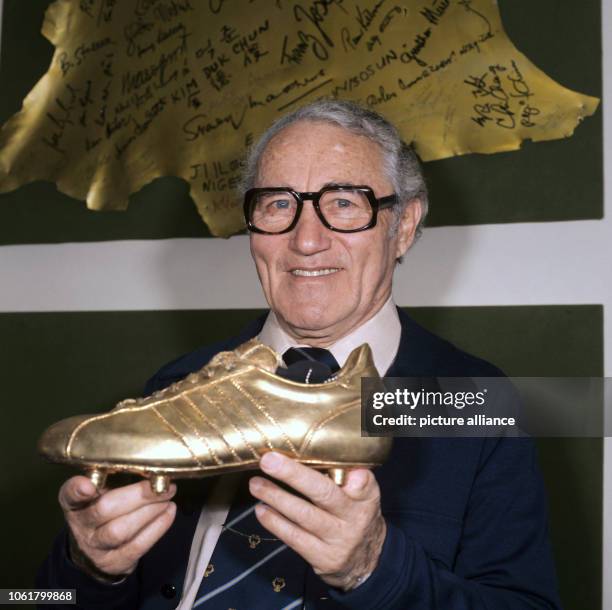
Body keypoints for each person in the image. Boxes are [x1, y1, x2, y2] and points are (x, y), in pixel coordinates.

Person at [38, 99, 561, 609]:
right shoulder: (176, 385)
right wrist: (87, 569)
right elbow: (36, 598)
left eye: (343, 203)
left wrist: (375, 570)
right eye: (278, 204)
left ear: (402, 225)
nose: (306, 240)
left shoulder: (473, 404)